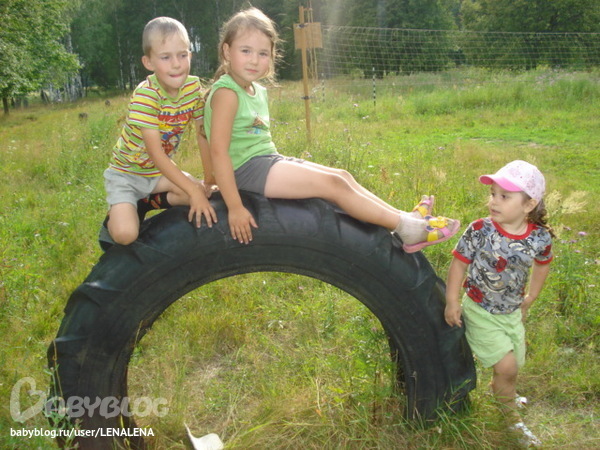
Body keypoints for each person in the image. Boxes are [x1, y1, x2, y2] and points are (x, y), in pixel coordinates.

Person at [203, 7, 460, 251]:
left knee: (342, 176)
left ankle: (404, 218)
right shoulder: (227, 93)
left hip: (265, 161)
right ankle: (406, 228)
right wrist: (235, 206)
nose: (254, 60)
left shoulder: (256, 89)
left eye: (263, 53)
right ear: (227, 51)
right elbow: (219, 152)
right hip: (245, 171)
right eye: (245, 51)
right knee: (333, 185)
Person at [444, 160, 554, 447]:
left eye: (504, 196)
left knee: (513, 365)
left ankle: (504, 392)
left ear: (529, 204)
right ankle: (512, 422)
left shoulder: (538, 237)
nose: (494, 201)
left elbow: (543, 264)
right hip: (480, 310)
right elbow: (459, 264)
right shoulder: (480, 229)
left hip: (512, 312)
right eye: (493, 194)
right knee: (506, 367)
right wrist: (452, 301)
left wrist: (531, 297)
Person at [102, 16, 217, 246]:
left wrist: (208, 180)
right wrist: (193, 191)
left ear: (190, 55)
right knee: (126, 235)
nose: (176, 64)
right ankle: (115, 217)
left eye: (182, 55)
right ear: (149, 62)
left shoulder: (193, 88)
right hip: (127, 174)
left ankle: (147, 202)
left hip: (157, 175)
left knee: (202, 194)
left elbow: (202, 134)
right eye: (165, 57)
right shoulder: (146, 95)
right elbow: (155, 154)